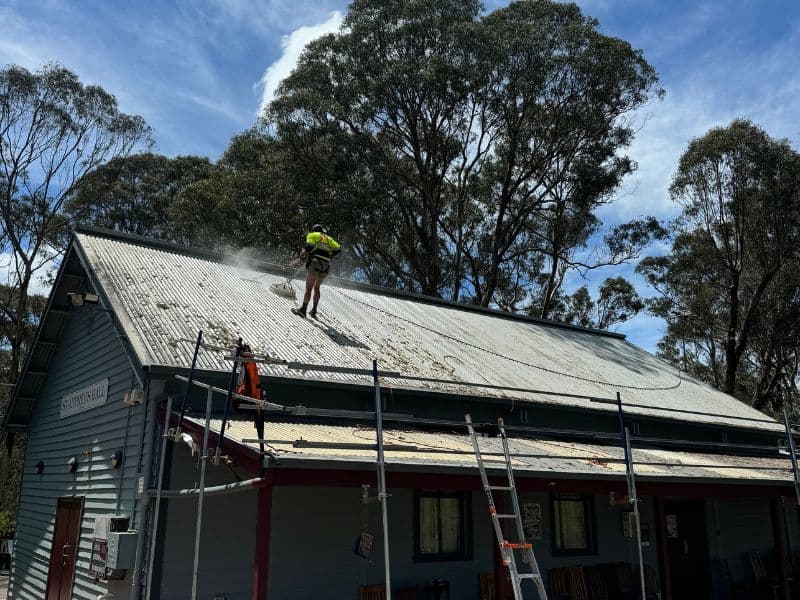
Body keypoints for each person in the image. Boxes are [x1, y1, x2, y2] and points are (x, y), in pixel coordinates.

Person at [291, 224, 341, 318]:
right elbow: (338, 249)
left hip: (315, 263)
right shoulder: (329, 239)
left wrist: (304, 252)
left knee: (309, 288)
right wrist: (330, 256)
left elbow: (310, 246)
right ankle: (314, 310)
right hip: (326, 265)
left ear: (313, 230)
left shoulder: (312, 235)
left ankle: (303, 309)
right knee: (317, 288)